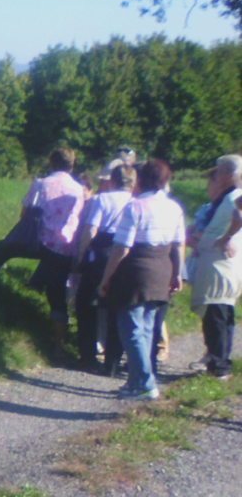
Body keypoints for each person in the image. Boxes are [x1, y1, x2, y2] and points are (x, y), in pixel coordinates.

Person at [98, 158, 186, 401]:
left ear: (142, 179)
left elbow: (122, 247)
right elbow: (179, 244)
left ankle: (146, 383)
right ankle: (136, 382)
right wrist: (178, 272)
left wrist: (107, 277)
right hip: (162, 268)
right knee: (147, 329)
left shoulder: (135, 207)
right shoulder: (174, 208)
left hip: (136, 271)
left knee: (132, 329)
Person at [1, 148, 86, 355]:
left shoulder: (41, 183)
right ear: (72, 165)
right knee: (60, 293)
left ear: (51, 162)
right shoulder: (79, 190)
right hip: (69, 247)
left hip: (42, 242)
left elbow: (25, 212)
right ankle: (60, 342)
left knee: (2, 249)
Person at [72, 161, 135, 373]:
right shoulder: (136, 202)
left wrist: (81, 255)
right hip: (125, 256)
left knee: (86, 306)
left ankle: (87, 356)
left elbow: (91, 230)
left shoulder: (101, 199)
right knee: (116, 309)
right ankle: (113, 361)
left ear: (113, 181)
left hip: (99, 256)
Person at [189, 154, 242, 379]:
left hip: (220, 264)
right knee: (222, 314)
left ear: (229, 175)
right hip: (222, 264)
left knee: (217, 315)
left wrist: (226, 237)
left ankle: (219, 366)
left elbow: (239, 216)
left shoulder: (233, 197)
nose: (216, 175)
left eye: (219, 171)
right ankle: (218, 360)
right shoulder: (227, 197)